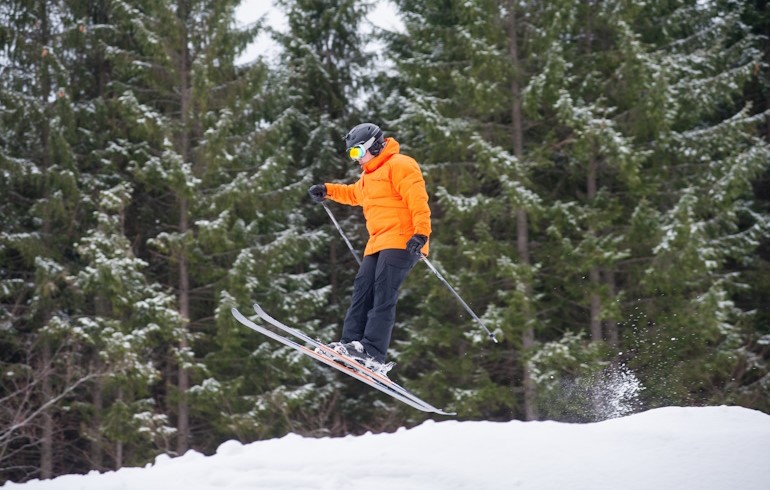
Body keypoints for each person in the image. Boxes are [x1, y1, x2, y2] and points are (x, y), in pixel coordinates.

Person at [308, 122, 431, 375]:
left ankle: (372, 352)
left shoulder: (401, 165)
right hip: (377, 243)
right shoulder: (368, 176)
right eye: (352, 154)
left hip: (403, 241)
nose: (357, 159)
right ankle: (349, 346)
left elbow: (418, 200)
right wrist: (328, 190)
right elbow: (354, 194)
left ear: (375, 144)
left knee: (383, 294)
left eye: (358, 152)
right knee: (362, 291)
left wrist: (421, 233)